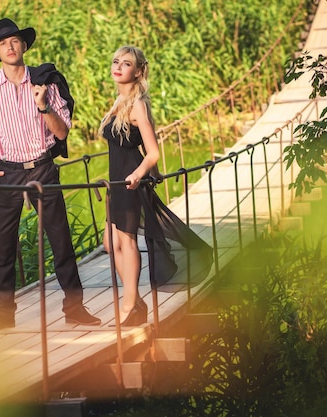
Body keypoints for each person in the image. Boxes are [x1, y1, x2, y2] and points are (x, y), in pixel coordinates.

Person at [0, 18, 101, 331]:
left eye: (15, 41)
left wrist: (43, 106)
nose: (10, 47)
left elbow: (62, 131)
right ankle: (2, 314)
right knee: (2, 245)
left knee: (60, 240)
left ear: (24, 46)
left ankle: (75, 308)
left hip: (41, 166)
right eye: (4, 43)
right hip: (6, 170)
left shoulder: (45, 83)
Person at [100, 46, 213, 326]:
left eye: (126, 64)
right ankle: (135, 302)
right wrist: (154, 175)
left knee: (126, 241)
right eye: (116, 62)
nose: (118, 67)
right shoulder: (118, 101)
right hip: (116, 183)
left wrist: (140, 175)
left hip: (130, 182)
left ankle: (130, 305)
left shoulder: (138, 105)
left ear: (138, 71)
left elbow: (152, 151)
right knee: (109, 244)